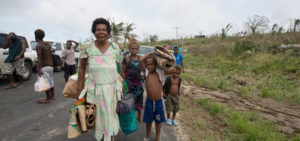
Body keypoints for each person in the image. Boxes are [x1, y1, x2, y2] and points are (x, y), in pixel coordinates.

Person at [77, 18, 123, 141]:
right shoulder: (87, 46)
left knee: (111, 119)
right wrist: (79, 91)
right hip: (94, 91)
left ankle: (111, 138)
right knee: (97, 120)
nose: (101, 32)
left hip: (112, 90)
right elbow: (81, 69)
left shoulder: (115, 47)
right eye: (98, 30)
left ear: (108, 32)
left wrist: (122, 86)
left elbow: (119, 67)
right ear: (94, 31)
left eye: (104, 29)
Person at [141, 51, 173, 141]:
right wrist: (151, 53)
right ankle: (147, 136)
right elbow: (141, 60)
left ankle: (158, 137)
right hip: (149, 101)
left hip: (158, 102)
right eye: (148, 64)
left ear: (156, 64)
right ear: (146, 65)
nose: (150, 66)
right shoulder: (146, 72)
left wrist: (160, 55)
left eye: (152, 64)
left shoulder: (160, 72)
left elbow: (170, 64)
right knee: (148, 121)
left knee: (158, 121)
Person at [120, 38, 144, 122]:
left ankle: (139, 116)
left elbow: (144, 69)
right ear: (129, 49)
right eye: (132, 48)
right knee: (129, 101)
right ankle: (131, 117)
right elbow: (122, 71)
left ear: (138, 49)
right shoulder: (126, 59)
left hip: (138, 84)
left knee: (139, 100)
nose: (134, 50)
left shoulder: (141, 59)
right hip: (129, 84)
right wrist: (123, 82)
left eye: (136, 48)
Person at [35, 29, 55, 103]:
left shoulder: (38, 45)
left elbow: (39, 58)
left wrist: (39, 68)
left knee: (45, 82)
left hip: (44, 66)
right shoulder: (47, 44)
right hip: (50, 66)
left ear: (36, 36)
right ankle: (52, 96)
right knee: (51, 81)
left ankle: (48, 98)